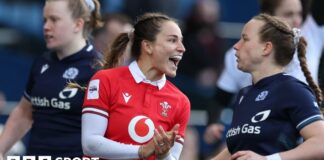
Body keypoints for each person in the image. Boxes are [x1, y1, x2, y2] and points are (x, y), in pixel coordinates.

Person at [211, 13, 324, 160]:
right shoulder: (243, 95)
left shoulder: (292, 90)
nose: (236, 46)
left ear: (266, 48)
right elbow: (237, 150)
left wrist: (268, 159)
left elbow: (320, 143)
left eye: (245, 39)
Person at [0, 0, 102, 158]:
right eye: (44, 20)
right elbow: (24, 112)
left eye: (54, 19)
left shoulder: (98, 69)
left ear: (77, 24)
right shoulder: (42, 62)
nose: (46, 26)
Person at [81, 12, 190, 160]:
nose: (182, 48)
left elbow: (173, 158)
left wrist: (163, 155)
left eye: (181, 41)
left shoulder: (181, 102)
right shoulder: (105, 80)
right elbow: (90, 144)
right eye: (172, 40)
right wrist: (141, 151)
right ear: (148, 46)